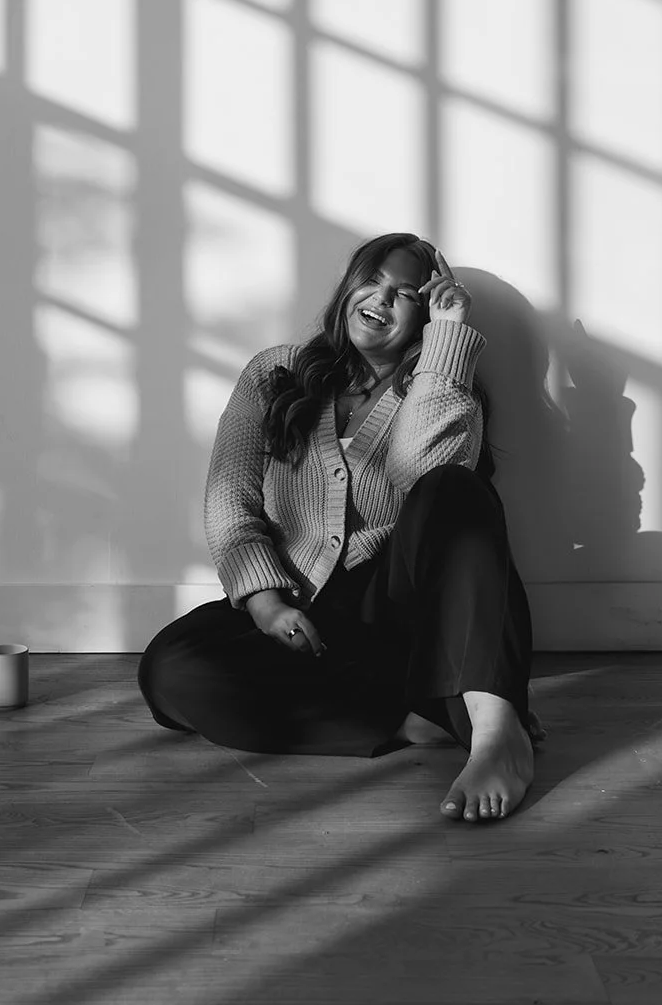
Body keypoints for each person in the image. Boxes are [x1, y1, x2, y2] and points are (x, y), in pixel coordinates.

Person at [138, 233, 536, 821]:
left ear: (426, 315)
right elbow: (231, 496)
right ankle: (411, 718)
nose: (382, 299)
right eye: (373, 281)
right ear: (349, 286)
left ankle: (500, 732)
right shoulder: (276, 372)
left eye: (406, 293)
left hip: (401, 609)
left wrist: (447, 338)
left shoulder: (448, 392)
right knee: (170, 670)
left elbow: (425, 474)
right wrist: (265, 603)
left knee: (457, 487)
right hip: (300, 605)